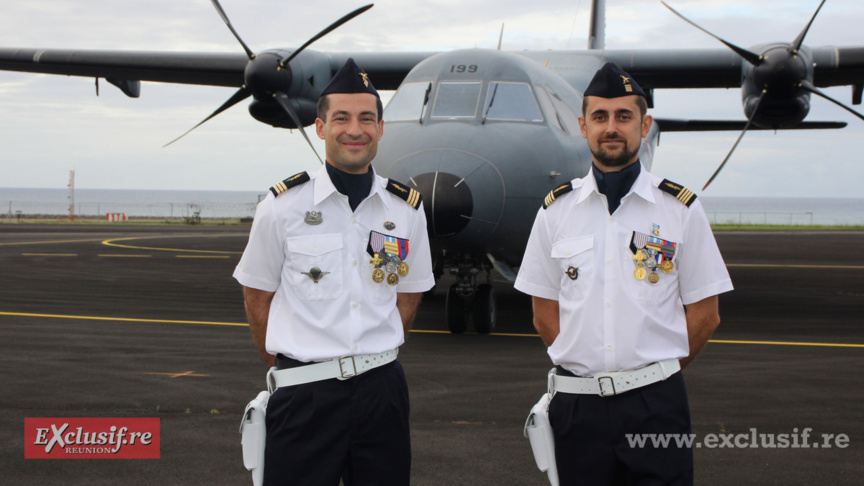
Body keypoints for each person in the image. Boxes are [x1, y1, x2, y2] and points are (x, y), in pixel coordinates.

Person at [514, 62, 733, 485]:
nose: (611, 127)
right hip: (577, 407)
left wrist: (650, 375)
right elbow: (544, 313)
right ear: (583, 126)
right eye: (600, 117)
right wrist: (586, 367)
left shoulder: (680, 209)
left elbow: (706, 314)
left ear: (645, 125)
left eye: (624, 117)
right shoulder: (555, 212)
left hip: (656, 405)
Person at [233, 58, 435, 486]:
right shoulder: (282, 207)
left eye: (367, 118)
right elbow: (257, 297)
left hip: (383, 394)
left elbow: (408, 296)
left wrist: (373, 356)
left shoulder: (405, 210)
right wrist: (290, 366)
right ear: (320, 127)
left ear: (381, 128)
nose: (355, 129)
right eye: (341, 118)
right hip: (304, 396)